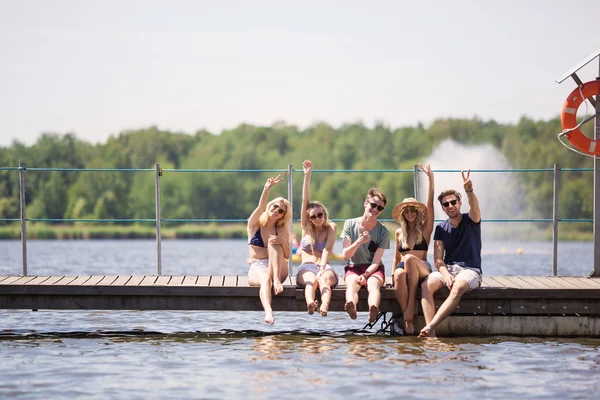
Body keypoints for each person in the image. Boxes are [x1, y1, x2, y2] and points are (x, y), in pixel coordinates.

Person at [419, 170, 482, 338]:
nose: (450, 206)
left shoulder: (472, 220)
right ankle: (431, 334)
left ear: (460, 203)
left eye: (453, 202)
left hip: (470, 270)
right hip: (448, 269)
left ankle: (430, 326)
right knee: (426, 286)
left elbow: (474, 207)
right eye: (446, 204)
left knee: (458, 287)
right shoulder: (441, 228)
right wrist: (445, 274)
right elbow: (438, 259)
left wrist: (469, 190)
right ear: (443, 209)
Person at [391, 163, 434, 334]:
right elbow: (396, 258)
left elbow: (430, 204)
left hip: (422, 267)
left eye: (413, 210)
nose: (410, 213)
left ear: (417, 212)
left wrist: (431, 178)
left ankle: (410, 307)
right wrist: (392, 274)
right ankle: (406, 318)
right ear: (402, 214)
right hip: (404, 268)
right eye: (407, 211)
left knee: (408, 258)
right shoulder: (399, 233)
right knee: (400, 274)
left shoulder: (425, 229)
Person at [247, 175, 292, 325]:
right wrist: (267, 189)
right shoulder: (255, 224)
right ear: (269, 206)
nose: (276, 211)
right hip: (258, 267)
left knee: (275, 243)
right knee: (265, 279)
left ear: (282, 216)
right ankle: (268, 312)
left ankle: (277, 281)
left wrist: (282, 242)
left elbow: (287, 254)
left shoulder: (281, 229)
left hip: (278, 269)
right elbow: (260, 208)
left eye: (280, 211)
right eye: (274, 207)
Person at [341, 187, 390, 323]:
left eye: (379, 208)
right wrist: (359, 241)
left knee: (373, 285)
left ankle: (373, 308)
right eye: (373, 205)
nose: (375, 210)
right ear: (365, 203)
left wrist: (366, 275)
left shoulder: (383, 232)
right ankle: (351, 306)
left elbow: (376, 262)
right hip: (354, 267)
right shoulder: (350, 224)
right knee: (352, 284)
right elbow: (345, 255)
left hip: (373, 269)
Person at [296, 160, 338, 316]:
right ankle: (310, 304)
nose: (317, 218)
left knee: (323, 279)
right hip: (306, 266)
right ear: (309, 218)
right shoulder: (306, 228)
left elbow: (327, 249)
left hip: (324, 265)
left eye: (320, 215)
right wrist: (307, 176)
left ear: (324, 214)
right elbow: (304, 201)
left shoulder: (331, 227)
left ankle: (325, 306)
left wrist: (322, 267)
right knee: (310, 280)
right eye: (313, 216)